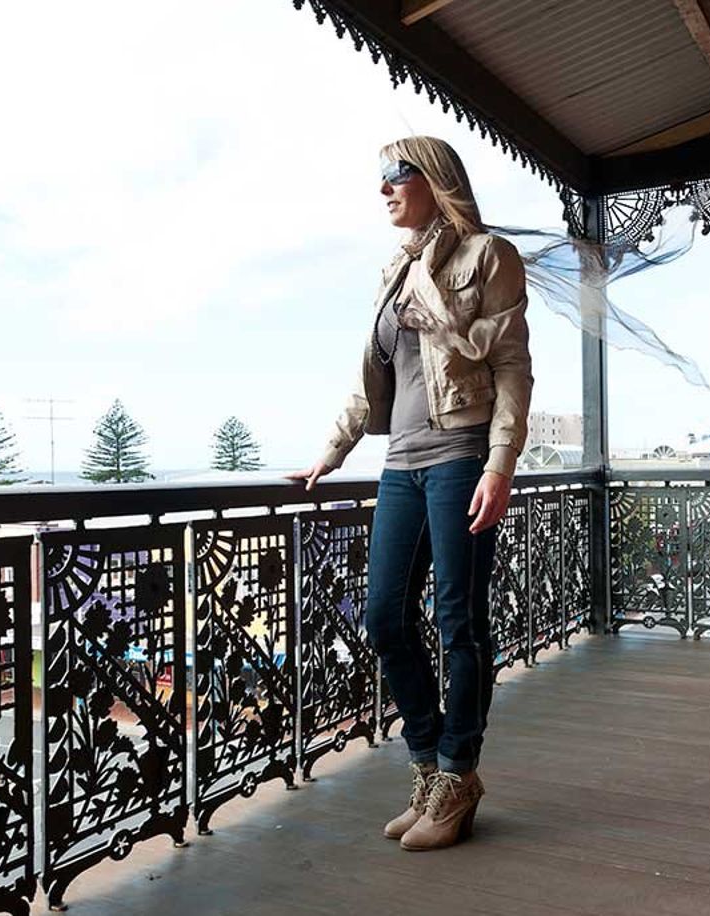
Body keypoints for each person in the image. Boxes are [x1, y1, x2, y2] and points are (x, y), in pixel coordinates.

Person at [289, 135, 532, 851]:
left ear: (435, 178)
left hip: (461, 456)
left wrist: (500, 465)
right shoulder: (395, 271)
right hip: (401, 463)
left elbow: (511, 364)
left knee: (460, 622)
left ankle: (458, 775)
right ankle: (427, 766)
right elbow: (374, 380)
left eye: (397, 174)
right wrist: (331, 452)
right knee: (384, 619)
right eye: (382, 177)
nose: (384, 188)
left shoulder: (487, 255)